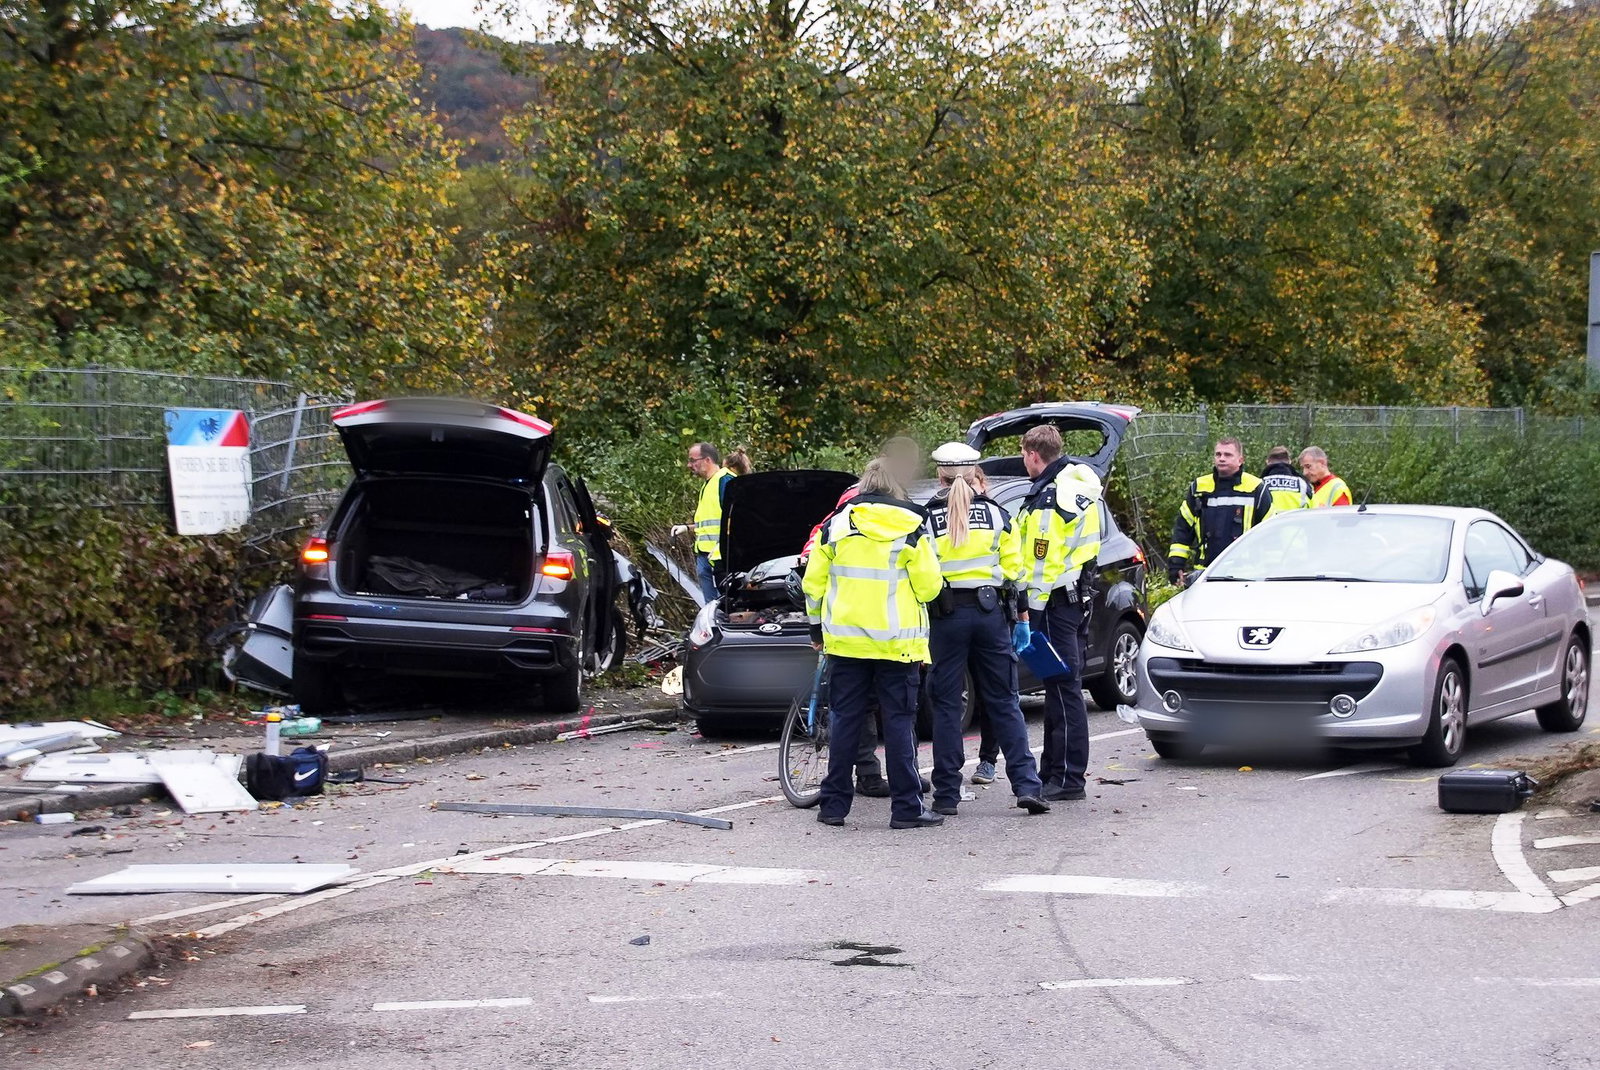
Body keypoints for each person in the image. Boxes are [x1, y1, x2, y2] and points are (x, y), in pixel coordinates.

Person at [804, 458, 945, 829]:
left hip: (846, 644)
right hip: (897, 644)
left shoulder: (834, 526)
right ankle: (907, 810)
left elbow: (813, 585)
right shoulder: (914, 526)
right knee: (899, 725)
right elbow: (930, 587)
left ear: (863, 486)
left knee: (845, 722)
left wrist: (816, 630)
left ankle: (833, 807)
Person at [923, 442, 1049, 817]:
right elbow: (1016, 571)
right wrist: (1023, 618)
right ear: (975, 473)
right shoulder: (997, 515)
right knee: (1005, 701)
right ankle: (1028, 786)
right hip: (991, 614)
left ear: (940, 476)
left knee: (947, 706)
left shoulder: (926, 518)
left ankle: (946, 794)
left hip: (945, 617)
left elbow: (922, 575)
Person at [1016, 425, 1103, 802]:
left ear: (1034, 455)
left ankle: (1067, 777)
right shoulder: (1076, 486)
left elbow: (1041, 562)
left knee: (1064, 689)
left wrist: (1028, 613)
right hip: (1073, 598)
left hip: (1052, 602)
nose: (1024, 462)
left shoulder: (1051, 498)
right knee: (1058, 688)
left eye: (1023, 455)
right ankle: (1054, 770)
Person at [1168, 437, 1272, 584]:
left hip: (1246, 575)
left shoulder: (1255, 488)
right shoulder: (1199, 487)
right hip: (1205, 572)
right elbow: (1183, 528)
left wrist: (1271, 570)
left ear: (1240, 460)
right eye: (1218, 454)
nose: (1221, 459)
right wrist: (1176, 564)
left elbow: (1270, 532)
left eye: (1228, 455)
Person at [673, 442, 734, 603]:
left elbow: (736, 519)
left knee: (726, 605)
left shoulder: (725, 481)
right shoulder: (707, 485)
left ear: (707, 460)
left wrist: (722, 545)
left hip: (722, 559)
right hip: (705, 556)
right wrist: (686, 528)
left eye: (693, 460)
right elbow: (709, 524)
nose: (689, 465)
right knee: (712, 607)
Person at [1260, 445, 1311, 515]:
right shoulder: (1303, 485)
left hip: (1269, 526)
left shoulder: (1260, 485)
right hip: (1297, 525)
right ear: (1289, 462)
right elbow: (1314, 510)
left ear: (1267, 462)